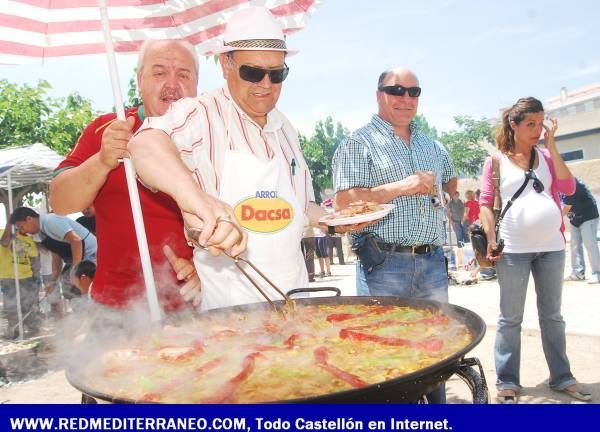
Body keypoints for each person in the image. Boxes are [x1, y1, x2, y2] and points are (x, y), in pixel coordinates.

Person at [128, 7, 355, 310]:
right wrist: (196, 198)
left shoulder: (285, 128)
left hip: (297, 301)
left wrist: (340, 222)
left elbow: (296, 209)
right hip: (232, 314)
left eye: (277, 74)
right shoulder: (200, 114)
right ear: (226, 65)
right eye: (252, 72)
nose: (265, 84)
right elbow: (144, 144)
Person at [49, 39, 235, 313]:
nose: (172, 84)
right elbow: (60, 202)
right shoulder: (107, 129)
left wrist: (208, 267)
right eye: (159, 73)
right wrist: (101, 161)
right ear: (139, 80)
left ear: (197, 83)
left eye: (183, 74)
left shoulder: (219, 136)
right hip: (115, 310)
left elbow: (242, 220)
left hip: (196, 305)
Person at [332, 67, 457, 403]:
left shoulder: (433, 145)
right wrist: (404, 186)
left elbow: (451, 181)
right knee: (384, 349)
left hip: (432, 260)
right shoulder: (358, 142)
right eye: (396, 90)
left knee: (435, 349)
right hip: (384, 263)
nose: (405, 98)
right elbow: (344, 201)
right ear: (379, 95)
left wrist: (443, 195)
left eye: (413, 92)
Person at [479, 96, 590, 403]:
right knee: (510, 318)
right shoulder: (496, 162)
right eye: (531, 124)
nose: (538, 130)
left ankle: (562, 377)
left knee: (552, 316)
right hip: (512, 250)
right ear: (513, 125)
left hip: (552, 248)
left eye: (541, 124)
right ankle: (508, 381)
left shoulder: (546, 154)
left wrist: (552, 146)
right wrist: (490, 238)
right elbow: (486, 205)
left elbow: (568, 189)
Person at [0, 221, 40, 338]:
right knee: (11, 306)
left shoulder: (29, 240)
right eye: (18, 224)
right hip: (7, 277)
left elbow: (34, 260)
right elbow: (4, 242)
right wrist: (12, 233)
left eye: (23, 225)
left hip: (26, 276)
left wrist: (35, 277)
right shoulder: (3, 234)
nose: (20, 227)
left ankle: (33, 329)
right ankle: (15, 330)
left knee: (28, 304)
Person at [562, 178, 600, 283]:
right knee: (574, 245)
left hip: (588, 215)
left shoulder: (572, 184)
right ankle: (578, 273)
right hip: (575, 217)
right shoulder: (556, 185)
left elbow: (565, 208)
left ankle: (597, 273)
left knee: (590, 244)